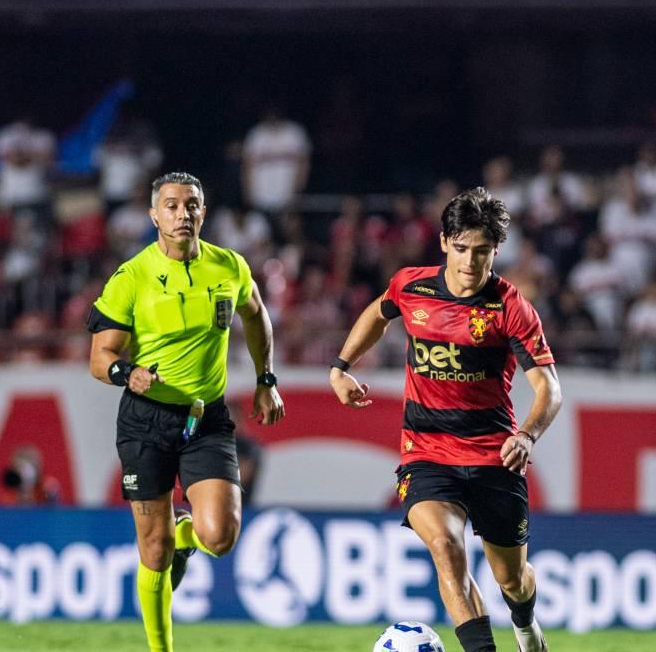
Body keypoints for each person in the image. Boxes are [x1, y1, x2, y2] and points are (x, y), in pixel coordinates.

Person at [329, 187, 560, 652]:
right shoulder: (411, 287)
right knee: (446, 548)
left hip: (495, 456)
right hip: (427, 453)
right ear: (443, 243)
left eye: (482, 252)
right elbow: (379, 312)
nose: (471, 262)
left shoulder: (511, 308)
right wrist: (341, 367)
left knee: (511, 579)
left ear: (496, 250)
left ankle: (525, 622)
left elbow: (549, 389)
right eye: (461, 249)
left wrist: (528, 435)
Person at [87, 172, 285, 652]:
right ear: (154, 215)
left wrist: (265, 380)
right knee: (153, 551)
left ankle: (185, 531)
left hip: (206, 418)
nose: (183, 214)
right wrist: (125, 374)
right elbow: (100, 357)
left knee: (219, 536)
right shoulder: (131, 277)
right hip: (145, 419)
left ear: (203, 210)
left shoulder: (229, 267)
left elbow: (257, 315)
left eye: (191, 204)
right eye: (171, 206)